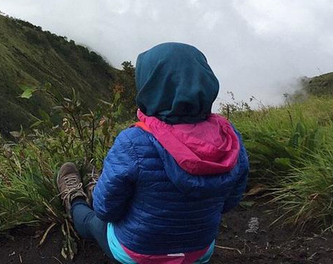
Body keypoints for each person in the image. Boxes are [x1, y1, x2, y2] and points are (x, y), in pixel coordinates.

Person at [56, 42, 249, 264]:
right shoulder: (229, 138)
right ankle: (94, 187)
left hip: (138, 254)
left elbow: (106, 211)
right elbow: (229, 202)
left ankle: (75, 198)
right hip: (198, 252)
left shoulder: (134, 141)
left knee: (93, 220)